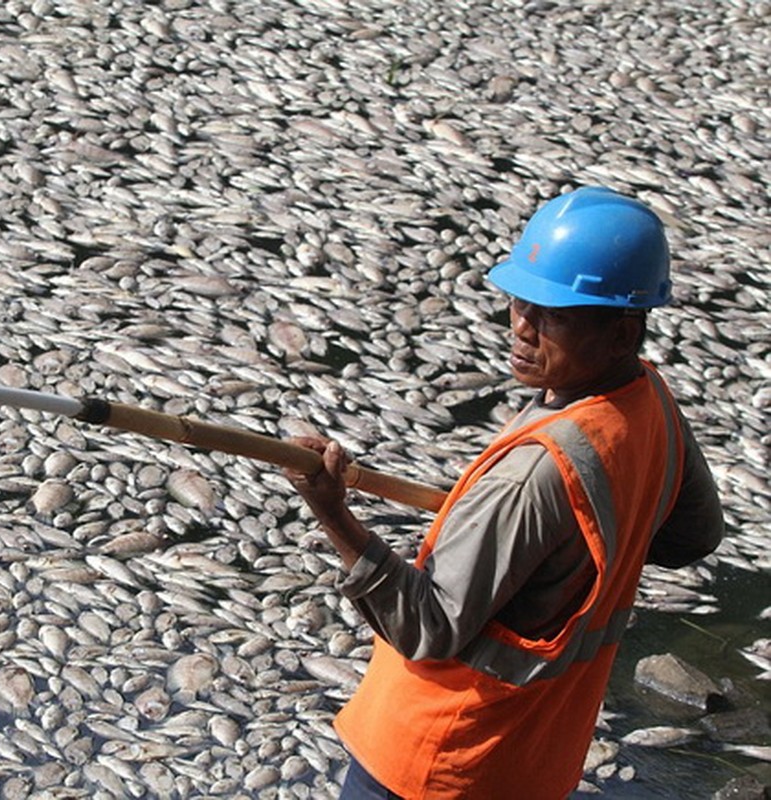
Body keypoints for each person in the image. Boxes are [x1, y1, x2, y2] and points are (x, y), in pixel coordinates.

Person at [284, 186, 725, 800]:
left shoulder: (537, 474)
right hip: (535, 764)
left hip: (436, 763)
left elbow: (427, 626)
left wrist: (332, 514)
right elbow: (693, 536)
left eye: (555, 315)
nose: (521, 328)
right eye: (520, 302)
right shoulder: (651, 403)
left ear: (623, 334)